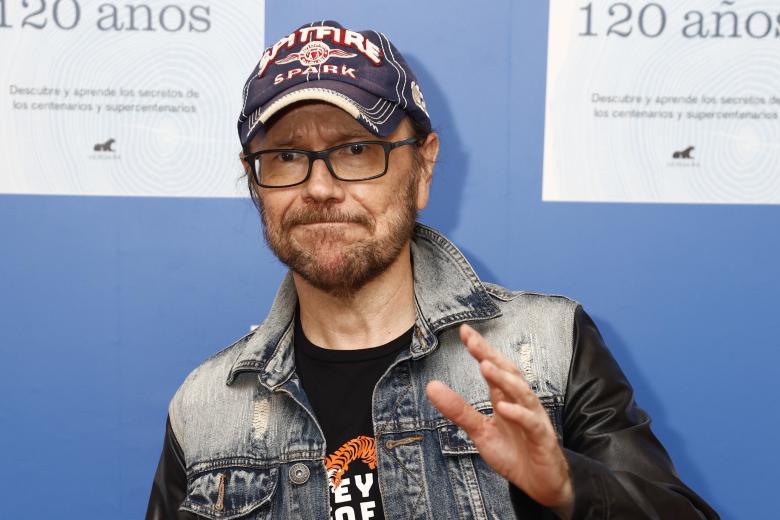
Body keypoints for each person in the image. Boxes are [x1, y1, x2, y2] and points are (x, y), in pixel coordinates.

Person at [146, 20, 718, 520]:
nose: (319, 187)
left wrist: (571, 489)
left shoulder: (547, 349)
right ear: (255, 182)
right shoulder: (204, 411)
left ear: (422, 167)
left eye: (355, 150)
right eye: (286, 156)